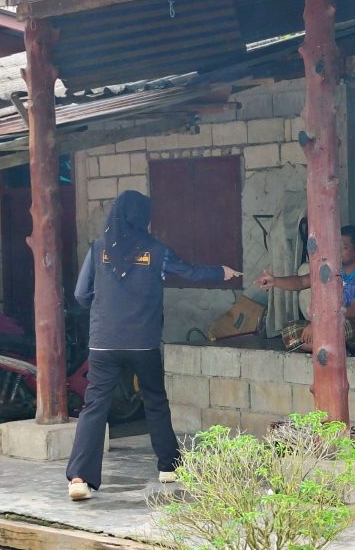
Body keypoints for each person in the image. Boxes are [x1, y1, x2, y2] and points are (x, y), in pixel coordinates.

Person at [66, 191, 241, 501]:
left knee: (94, 407)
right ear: (143, 217)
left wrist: (106, 308)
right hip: (143, 343)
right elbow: (189, 271)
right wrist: (221, 271)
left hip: (104, 342)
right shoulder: (156, 250)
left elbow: (81, 295)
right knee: (155, 400)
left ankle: (80, 478)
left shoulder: (98, 248)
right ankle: (169, 466)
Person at [255, 225, 355, 353]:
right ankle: (335, 349)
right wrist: (275, 281)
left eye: (343, 248)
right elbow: (302, 281)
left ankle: (327, 348)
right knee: (289, 330)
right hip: (330, 322)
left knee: (339, 327)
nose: (337, 251)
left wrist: (319, 321)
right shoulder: (333, 267)